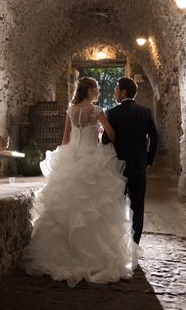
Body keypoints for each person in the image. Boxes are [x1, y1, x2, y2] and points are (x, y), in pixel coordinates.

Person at [19, 77, 137, 287]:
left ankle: (60, 255)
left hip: (72, 157)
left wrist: (65, 158)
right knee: (94, 205)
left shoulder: (70, 111)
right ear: (89, 90)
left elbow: (65, 139)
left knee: (66, 205)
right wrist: (105, 137)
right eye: (97, 89)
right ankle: (93, 256)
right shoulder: (96, 110)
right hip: (93, 158)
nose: (99, 92)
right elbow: (110, 133)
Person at [102, 77, 158, 245]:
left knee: (118, 204)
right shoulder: (145, 112)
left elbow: (106, 140)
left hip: (118, 166)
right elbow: (154, 137)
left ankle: (119, 242)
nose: (115, 92)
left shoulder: (112, 113)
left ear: (124, 92)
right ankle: (135, 243)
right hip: (139, 165)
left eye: (116, 90)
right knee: (138, 205)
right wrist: (149, 159)